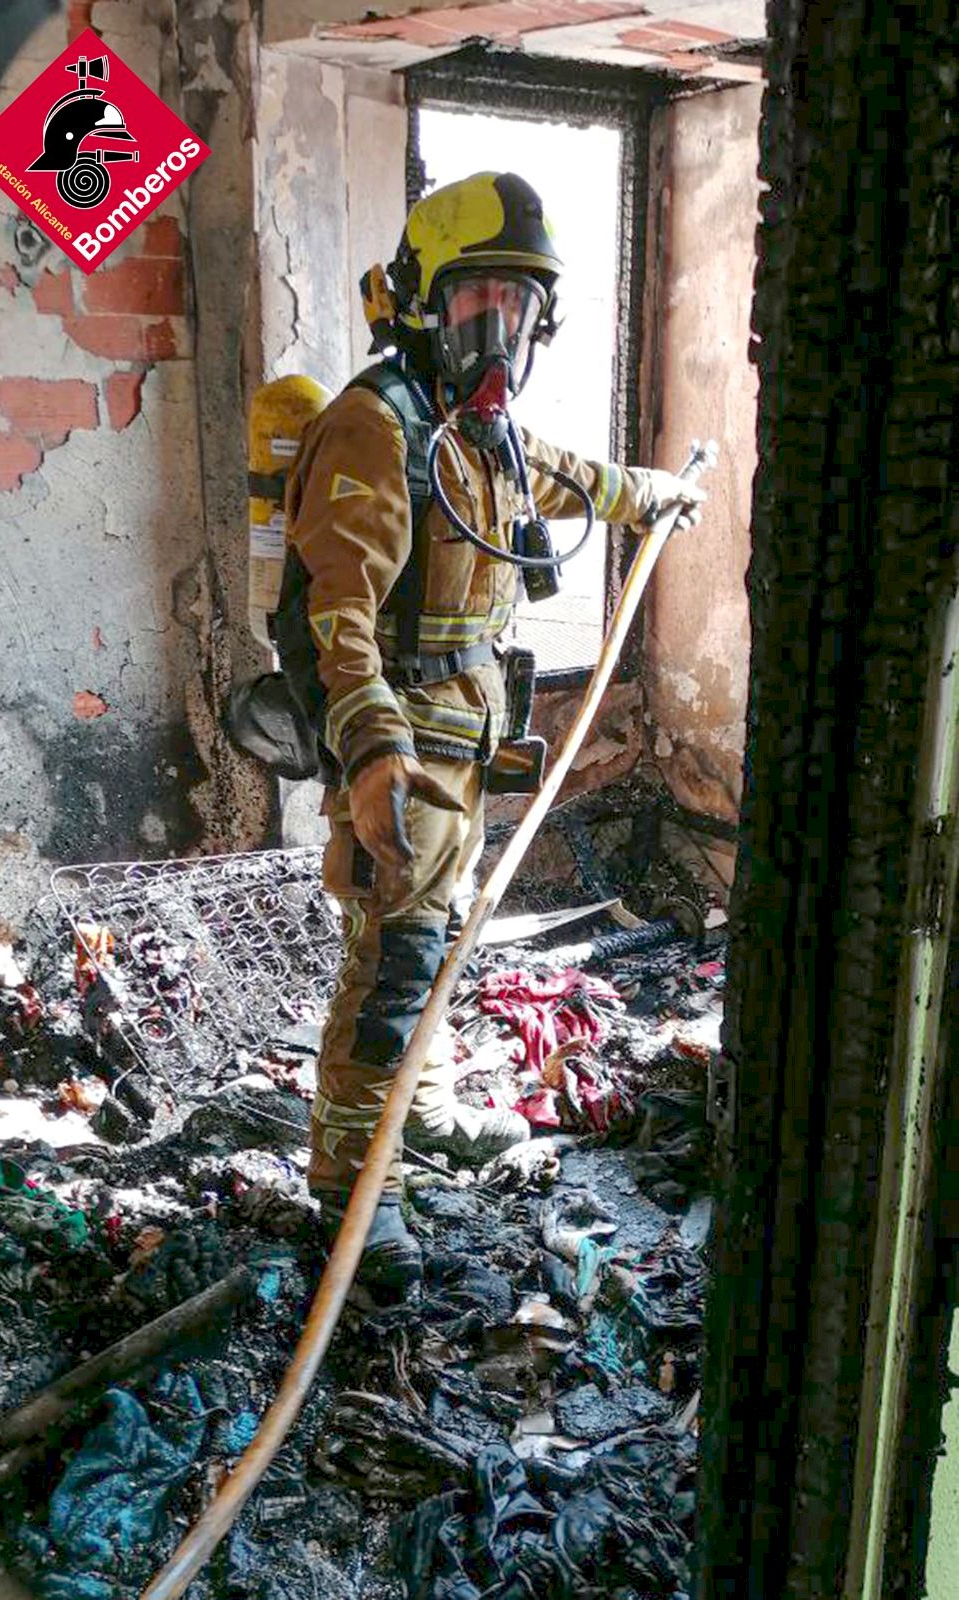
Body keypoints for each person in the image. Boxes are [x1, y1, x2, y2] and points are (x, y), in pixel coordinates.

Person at [283, 171, 705, 1296]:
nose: (497, 332)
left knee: (439, 946)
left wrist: (651, 493)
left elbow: (566, 479)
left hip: (465, 748)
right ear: (422, 301)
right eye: (477, 302)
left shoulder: (479, 434)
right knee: (394, 967)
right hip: (408, 756)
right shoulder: (373, 428)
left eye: (517, 309)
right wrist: (372, 751)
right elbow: (338, 615)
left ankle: (417, 1113)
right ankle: (355, 1190)